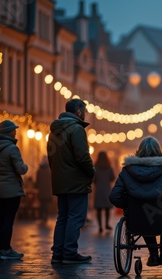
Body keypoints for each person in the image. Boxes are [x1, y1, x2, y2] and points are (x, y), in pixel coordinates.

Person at [109, 136, 162, 266]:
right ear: (158, 151)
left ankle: (153, 254)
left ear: (139, 151)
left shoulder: (127, 171)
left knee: (144, 217)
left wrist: (128, 205)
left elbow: (114, 197)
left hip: (137, 220)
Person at [48, 99, 95, 264]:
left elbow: (50, 157)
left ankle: (58, 253)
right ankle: (69, 252)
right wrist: (92, 172)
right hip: (76, 182)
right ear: (78, 112)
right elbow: (82, 156)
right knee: (75, 217)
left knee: (63, 217)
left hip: (60, 180)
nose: (85, 114)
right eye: (85, 111)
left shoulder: (54, 131)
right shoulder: (76, 129)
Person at [0, 120, 28, 259]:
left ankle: (1, 249)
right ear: (9, 132)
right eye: (14, 130)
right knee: (9, 219)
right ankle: (6, 250)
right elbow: (21, 169)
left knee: (1, 218)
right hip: (11, 190)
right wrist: (26, 166)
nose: (15, 131)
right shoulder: (12, 148)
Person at [93, 151, 115, 233]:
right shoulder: (109, 168)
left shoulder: (95, 168)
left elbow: (94, 180)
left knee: (98, 209)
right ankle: (106, 224)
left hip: (98, 190)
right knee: (107, 209)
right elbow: (113, 178)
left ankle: (100, 226)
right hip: (107, 190)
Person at [35, 156, 51, 224]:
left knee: (42, 204)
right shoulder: (49, 170)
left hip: (42, 190)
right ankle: (44, 217)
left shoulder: (39, 170)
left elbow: (37, 181)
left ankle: (42, 216)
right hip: (47, 190)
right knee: (45, 204)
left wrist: (37, 187)